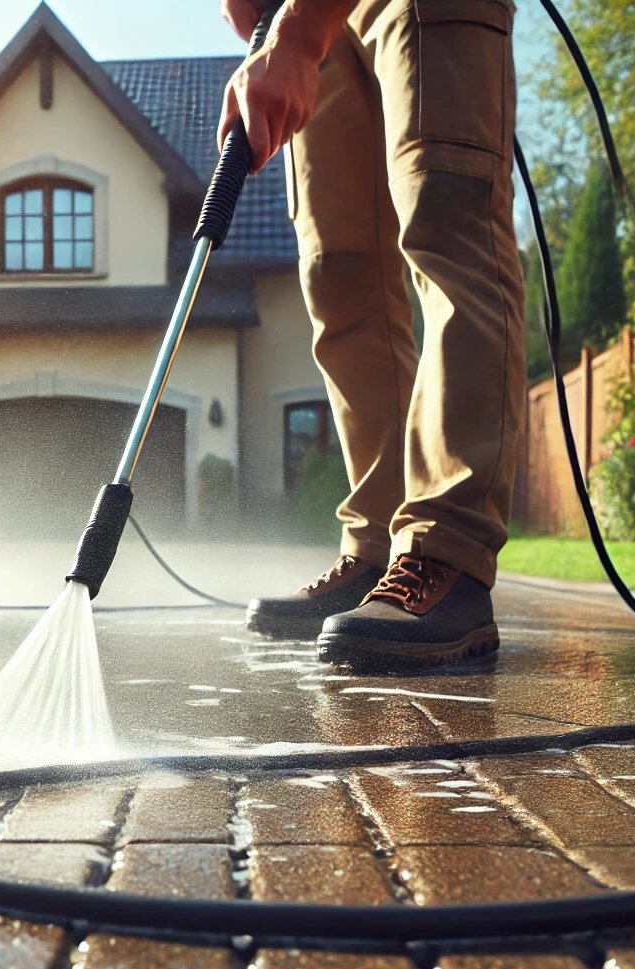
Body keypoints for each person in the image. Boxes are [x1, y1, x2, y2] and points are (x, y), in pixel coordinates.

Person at [220, 0, 525, 667]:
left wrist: (295, 35)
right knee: (338, 269)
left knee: (445, 218)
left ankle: (447, 553)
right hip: (316, 21)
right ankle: (378, 553)